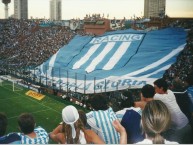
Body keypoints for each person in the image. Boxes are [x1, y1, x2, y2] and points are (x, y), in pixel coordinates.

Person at [153, 78, 192, 143]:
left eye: (155, 88)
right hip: (187, 124)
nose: (154, 90)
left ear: (161, 88)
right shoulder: (170, 93)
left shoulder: (157, 97)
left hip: (178, 129)